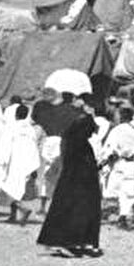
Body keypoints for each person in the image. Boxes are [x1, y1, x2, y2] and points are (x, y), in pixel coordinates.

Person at [37, 113, 102, 257]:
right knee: (71, 213)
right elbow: (77, 165)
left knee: (79, 213)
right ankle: (65, 242)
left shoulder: (77, 141)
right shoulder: (76, 143)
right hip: (75, 186)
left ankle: (76, 242)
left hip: (77, 185)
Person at [33, 88, 83, 216]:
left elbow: (38, 120)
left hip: (49, 141)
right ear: (72, 99)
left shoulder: (49, 110)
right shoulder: (75, 113)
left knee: (46, 174)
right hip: (64, 142)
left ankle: (43, 206)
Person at [0, 104, 41, 224]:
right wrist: (34, 166)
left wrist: (1, 161)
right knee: (17, 188)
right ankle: (13, 215)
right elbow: (34, 146)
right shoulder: (30, 129)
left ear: (15, 114)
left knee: (8, 187)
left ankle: (22, 209)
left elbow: (5, 145)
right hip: (26, 162)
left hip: (14, 162)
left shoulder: (11, 127)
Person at [100, 107, 134, 228]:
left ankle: (123, 216)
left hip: (121, 163)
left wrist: (102, 162)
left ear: (121, 117)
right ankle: (129, 215)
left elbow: (110, 149)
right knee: (130, 190)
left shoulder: (117, 130)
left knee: (121, 191)